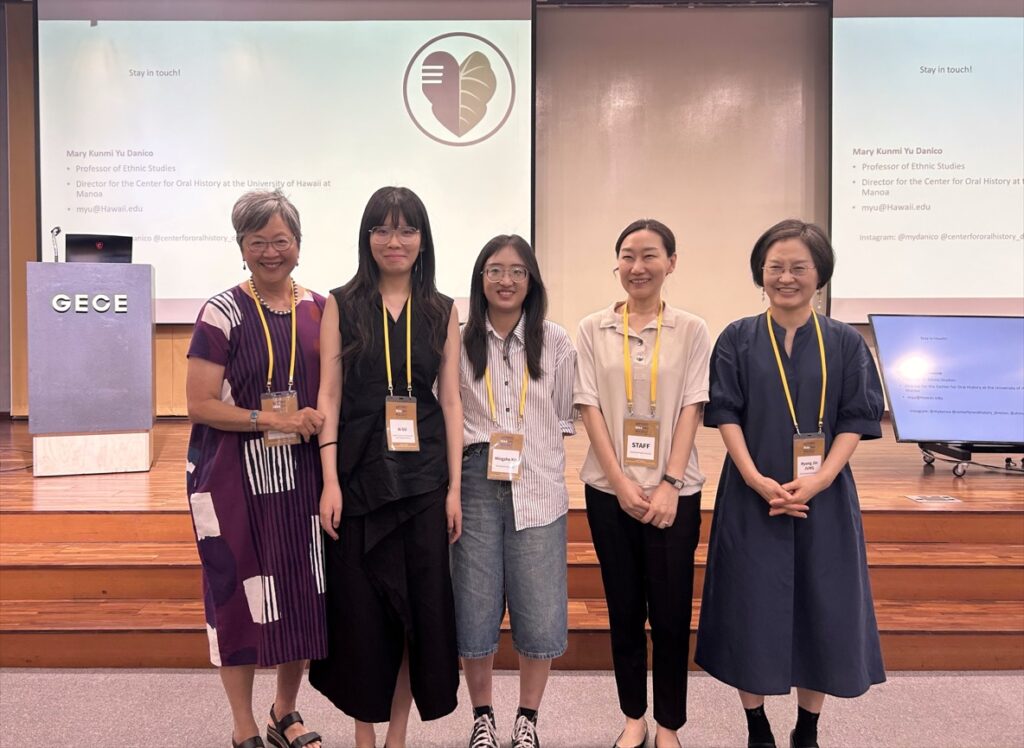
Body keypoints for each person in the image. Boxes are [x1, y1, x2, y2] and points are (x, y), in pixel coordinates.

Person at [695, 219, 885, 748]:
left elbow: (855, 419)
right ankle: (756, 726)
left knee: (822, 606)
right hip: (752, 496)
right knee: (749, 605)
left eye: (798, 267)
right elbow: (726, 412)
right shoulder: (737, 337)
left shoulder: (845, 342)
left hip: (824, 498)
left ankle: (808, 727)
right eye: (775, 266)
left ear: (819, 275)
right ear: (760, 273)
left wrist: (822, 478)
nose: (786, 277)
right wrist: (754, 478)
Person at [309, 186, 463, 748]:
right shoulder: (341, 303)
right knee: (362, 617)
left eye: (406, 230)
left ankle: (396, 738)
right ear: (366, 237)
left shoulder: (441, 310)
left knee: (413, 618)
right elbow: (329, 394)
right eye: (382, 229)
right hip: (357, 477)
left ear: (422, 240)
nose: (393, 241)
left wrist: (453, 493)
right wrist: (329, 480)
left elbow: (449, 401)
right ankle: (364, 738)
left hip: (423, 481)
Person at [185, 190, 327, 748]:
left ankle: (284, 712)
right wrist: (271, 419)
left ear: (299, 244)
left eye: (281, 240)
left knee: (301, 591)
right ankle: (243, 724)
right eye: (257, 241)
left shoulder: (321, 309)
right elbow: (199, 404)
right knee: (237, 598)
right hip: (231, 479)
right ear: (241, 247)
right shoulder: (220, 311)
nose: (271, 252)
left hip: (302, 478)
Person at [574, 219, 711, 748]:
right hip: (609, 493)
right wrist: (620, 482)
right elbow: (589, 407)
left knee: (673, 614)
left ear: (671, 262)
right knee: (624, 608)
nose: (638, 266)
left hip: (677, 492)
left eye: (650, 255)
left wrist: (670, 483)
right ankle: (634, 717)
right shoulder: (591, 329)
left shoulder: (693, 329)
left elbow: (693, 407)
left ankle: (669, 724)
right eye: (627, 256)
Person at [452, 235, 577, 748]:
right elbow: (450, 413)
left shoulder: (558, 342)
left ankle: (527, 718)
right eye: (495, 270)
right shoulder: (457, 341)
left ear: (532, 280)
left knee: (539, 610)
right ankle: (483, 717)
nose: (506, 280)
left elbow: (566, 417)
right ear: (480, 278)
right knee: (474, 608)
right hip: (476, 482)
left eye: (517, 271)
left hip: (539, 486)